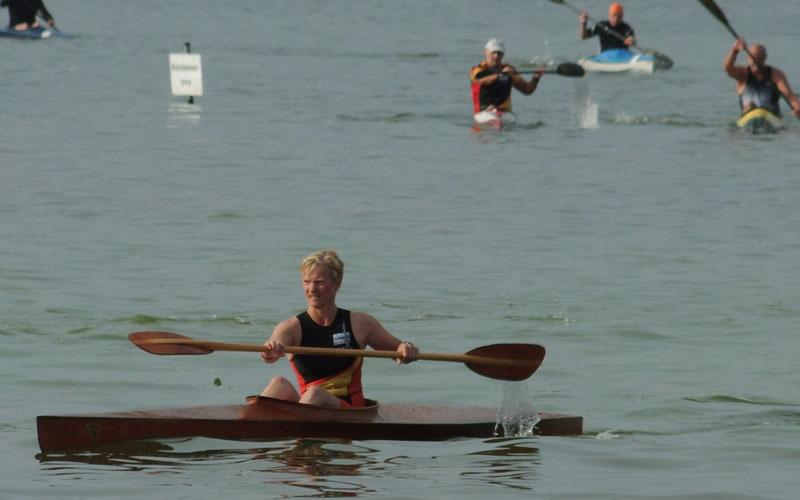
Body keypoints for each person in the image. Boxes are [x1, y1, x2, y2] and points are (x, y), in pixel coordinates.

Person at [258, 250, 419, 408]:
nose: (312, 289)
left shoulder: (360, 323)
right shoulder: (290, 328)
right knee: (278, 384)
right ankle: (250, 423)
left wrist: (407, 348)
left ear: (337, 283)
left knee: (315, 393)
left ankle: (295, 423)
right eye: (306, 282)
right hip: (309, 405)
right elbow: (270, 352)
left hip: (349, 408)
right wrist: (270, 350)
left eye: (319, 282)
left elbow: (398, 351)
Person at [723, 38, 800, 119]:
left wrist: (797, 108)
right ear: (748, 58)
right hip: (748, 116)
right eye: (753, 58)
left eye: (760, 58)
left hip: (771, 117)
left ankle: (761, 109)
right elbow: (728, 68)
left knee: (766, 108)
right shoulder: (743, 74)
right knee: (749, 106)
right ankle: (751, 108)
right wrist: (734, 51)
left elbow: (790, 96)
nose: (756, 61)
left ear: (765, 58)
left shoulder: (776, 75)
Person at [469, 38, 544, 114]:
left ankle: (499, 112)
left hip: (505, 113)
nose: (496, 56)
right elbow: (480, 81)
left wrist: (536, 78)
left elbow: (527, 90)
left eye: (499, 53)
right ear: (485, 52)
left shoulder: (509, 70)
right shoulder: (477, 69)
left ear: (503, 55)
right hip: (482, 112)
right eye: (493, 52)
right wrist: (500, 75)